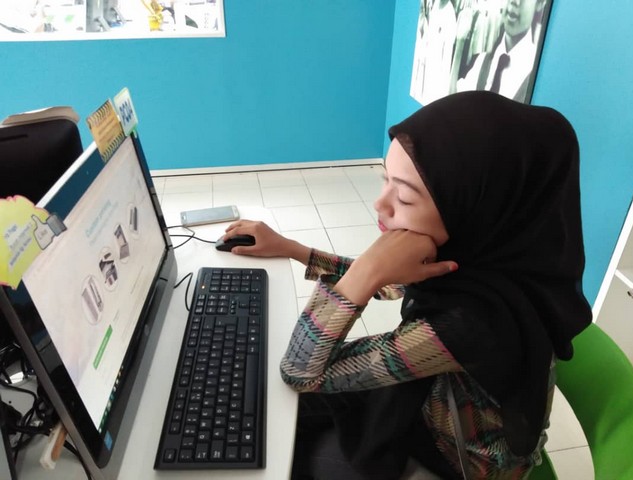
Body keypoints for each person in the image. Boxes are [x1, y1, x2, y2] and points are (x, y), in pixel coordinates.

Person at [221, 91, 592, 479]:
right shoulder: (486, 261)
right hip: (429, 406)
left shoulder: (469, 322)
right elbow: (393, 281)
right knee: (267, 413)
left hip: (455, 460)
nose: (380, 205)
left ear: (471, 206)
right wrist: (293, 249)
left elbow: (300, 371)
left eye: (405, 196)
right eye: (385, 179)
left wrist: (367, 271)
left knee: (277, 447)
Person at [453, 0, 547, 102]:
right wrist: (460, 43)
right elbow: (455, 103)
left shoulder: (537, 77)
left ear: (540, 3)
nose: (514, 1)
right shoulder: (482, 62)